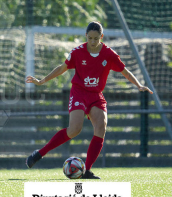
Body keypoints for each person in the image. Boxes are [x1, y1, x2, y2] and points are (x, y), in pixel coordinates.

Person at [25, 21, 153, 179]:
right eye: (90, 38)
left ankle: (87, 170)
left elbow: (124, 71)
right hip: (79, 93)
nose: (92, 42)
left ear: (102, 37)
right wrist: (42, 81)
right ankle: (39, 154)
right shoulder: (78, 52)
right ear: (86, 36)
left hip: (96, 95)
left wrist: (139, 85)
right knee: (74, 130)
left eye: (96, 38)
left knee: (101, 125)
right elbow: (62, 68)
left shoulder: (109, 54)